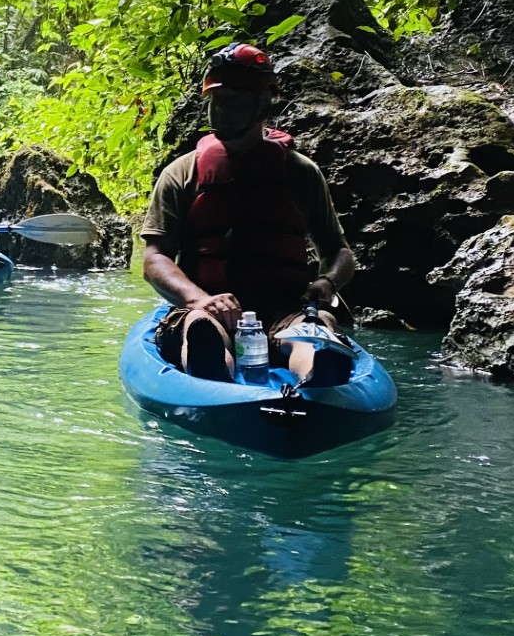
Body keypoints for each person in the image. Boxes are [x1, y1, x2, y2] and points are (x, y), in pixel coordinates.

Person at [139, 42, 358, 386]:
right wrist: (201, 299)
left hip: (287, 309)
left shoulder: (300, 173)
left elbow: (340, 252)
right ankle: (209, 365)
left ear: (262, 104)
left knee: (310, 333)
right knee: (200, 327)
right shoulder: (182, 173)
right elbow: (154, 260)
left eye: (234, 101)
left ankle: (318, 366)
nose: (222, 110)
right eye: (217, 100)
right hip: (207, 306)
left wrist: (327, 281)